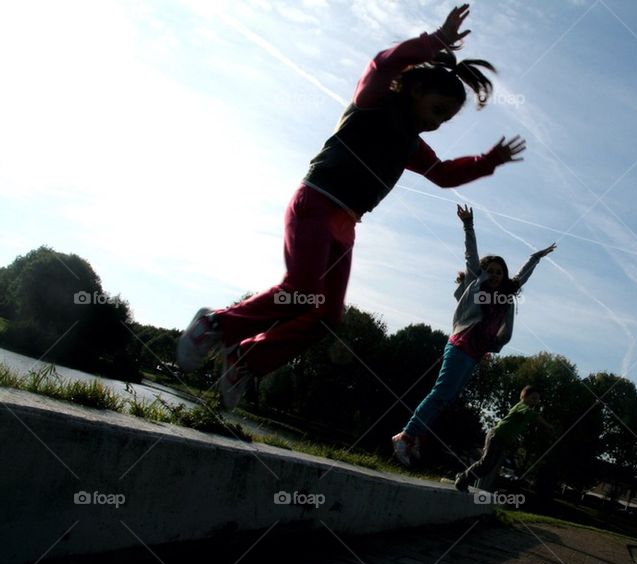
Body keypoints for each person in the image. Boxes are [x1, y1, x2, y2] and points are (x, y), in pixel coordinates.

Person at [176, 4, 526, 408]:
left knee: (326, 315)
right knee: (301, 291)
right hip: (316, 201)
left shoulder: (411, 145)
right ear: (414, 90)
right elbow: (383, 62)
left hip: (345, 225)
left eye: (445, 120)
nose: (437, 123)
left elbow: (444, 174)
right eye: (436, 110)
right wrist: (436, 41)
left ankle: (245, 360)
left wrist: (487, 162)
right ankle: (214, 326)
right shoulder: (373, 102)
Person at [391, 205, 556, 464]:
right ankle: (406, 436)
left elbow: (522, 275)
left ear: (503, 277)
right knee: (440, 394)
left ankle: (414, 437)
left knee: (446, 399)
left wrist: (537, 257)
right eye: (489, 271)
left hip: (476, 352)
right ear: (483, 273)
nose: (493, 275)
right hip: (460, 345)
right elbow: (471, 255)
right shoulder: (476, 285)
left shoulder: (505, 293)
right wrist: (468, 225)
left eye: (498, 273)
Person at [454, 385, 552, 492]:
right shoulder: (522, 406)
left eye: (537, 400)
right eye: (533, 398)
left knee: (489, 467)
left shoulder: (526, 412)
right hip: (496, 435)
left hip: (502, 440)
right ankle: (462, 478)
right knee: (486, 462)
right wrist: (547, 425)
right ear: (523, 396)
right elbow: (533, 415)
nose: (535, 402)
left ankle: (465, 479)